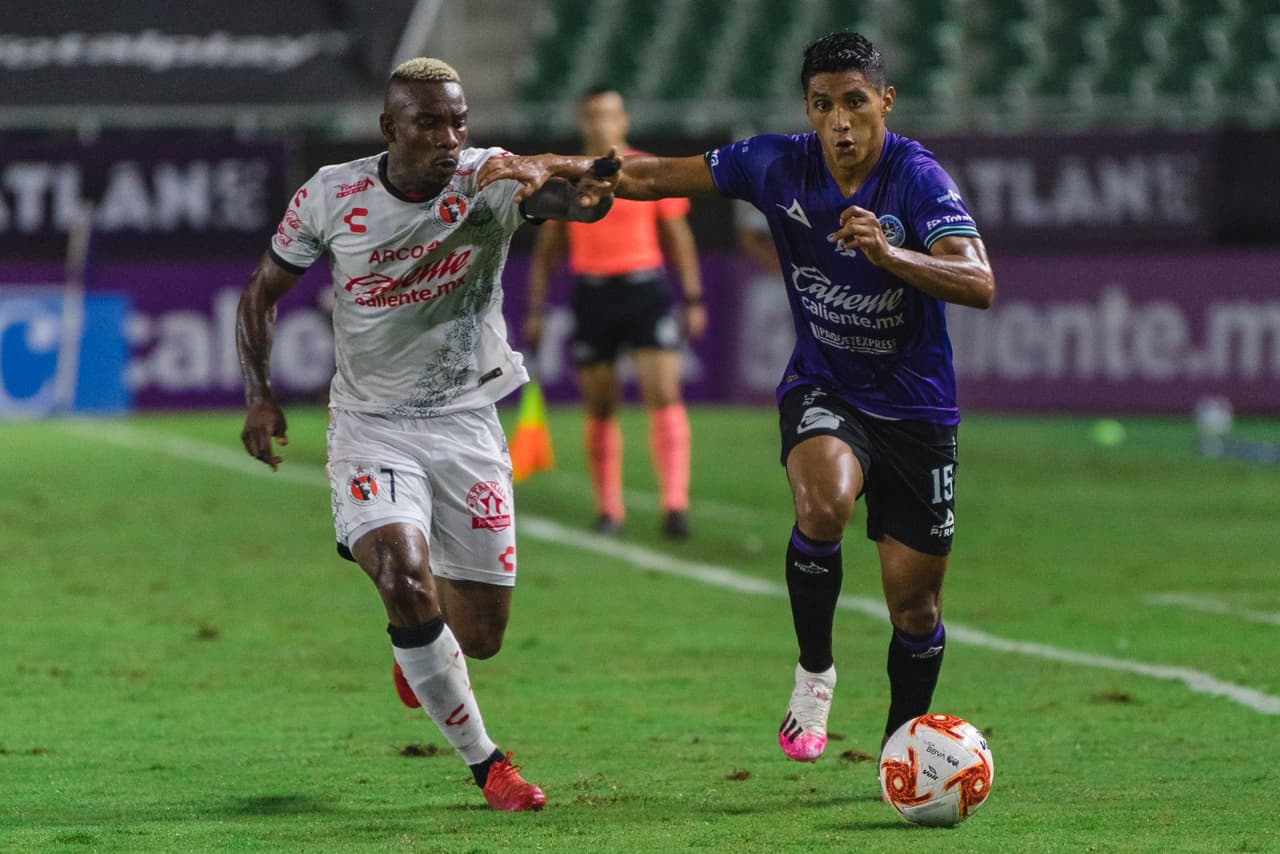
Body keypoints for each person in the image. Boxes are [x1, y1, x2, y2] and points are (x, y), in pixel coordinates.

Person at [479, 32, 995, 764]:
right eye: (823, 105)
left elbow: (978, 281)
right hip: (825, 386)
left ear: (885, 101)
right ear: (808, 109)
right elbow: (649, 173)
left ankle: (901, 751)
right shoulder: (774, 162)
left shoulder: (917, 178)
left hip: (917, 409)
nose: (840, 121)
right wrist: (552, 164)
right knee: (823, 504)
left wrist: (890, 253)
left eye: (854, 102)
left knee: (915, 608)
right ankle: (814, 674)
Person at [236, 57, 616, 812]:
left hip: (466, 424)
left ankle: (418, 645)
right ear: (390, 128)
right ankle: (490, 766)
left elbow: (573, 202)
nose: (449, 138)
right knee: (402, 576)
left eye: (459, 122)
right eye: (430, 123)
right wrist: (259, 397)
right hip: (370, 427)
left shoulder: (489, 179)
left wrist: (585, 194)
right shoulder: (331, 194)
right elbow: (259, 295)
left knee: (481, 636)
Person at [525, 87, 706, 538]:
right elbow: (547, 250)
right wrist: (536, 308)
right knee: (601, 404)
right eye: (592, 115)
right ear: (581, 122)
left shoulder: (646, 169)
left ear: (623, 121)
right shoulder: (567, 177)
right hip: (592, 293)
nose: (600, 123)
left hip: (644, 288)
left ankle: (675, 505)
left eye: (608, 114)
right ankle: (609, 509)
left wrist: (693, 297)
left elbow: (678, 236)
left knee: (663, 393)